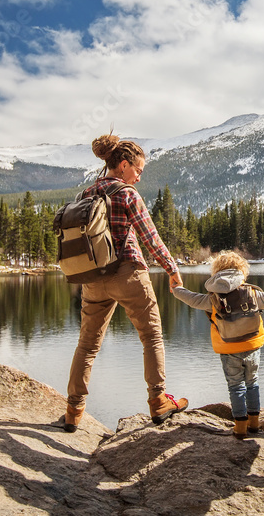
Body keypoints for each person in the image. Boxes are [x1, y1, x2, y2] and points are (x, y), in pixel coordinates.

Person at [63, 135, 187, 432]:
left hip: (93, 279)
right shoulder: (127, 193)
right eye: (138, 170)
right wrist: (172, 269)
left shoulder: (86, 193)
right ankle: (158, 402)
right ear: (123, 165)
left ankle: (73, 410)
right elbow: (150, 237)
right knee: (152, 337)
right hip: (128, 273)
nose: (139, 177)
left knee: (88, 345)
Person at [171, 251, 264, 439]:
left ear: (216, 271)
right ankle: (254, 424)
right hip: (252, 344)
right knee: (252, 383)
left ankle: (239, 427)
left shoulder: (214, 299)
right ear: (242, 270)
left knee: (235, 386)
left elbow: (192, 299)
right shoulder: (252, 294)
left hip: (228, 348)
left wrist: (176, 289)